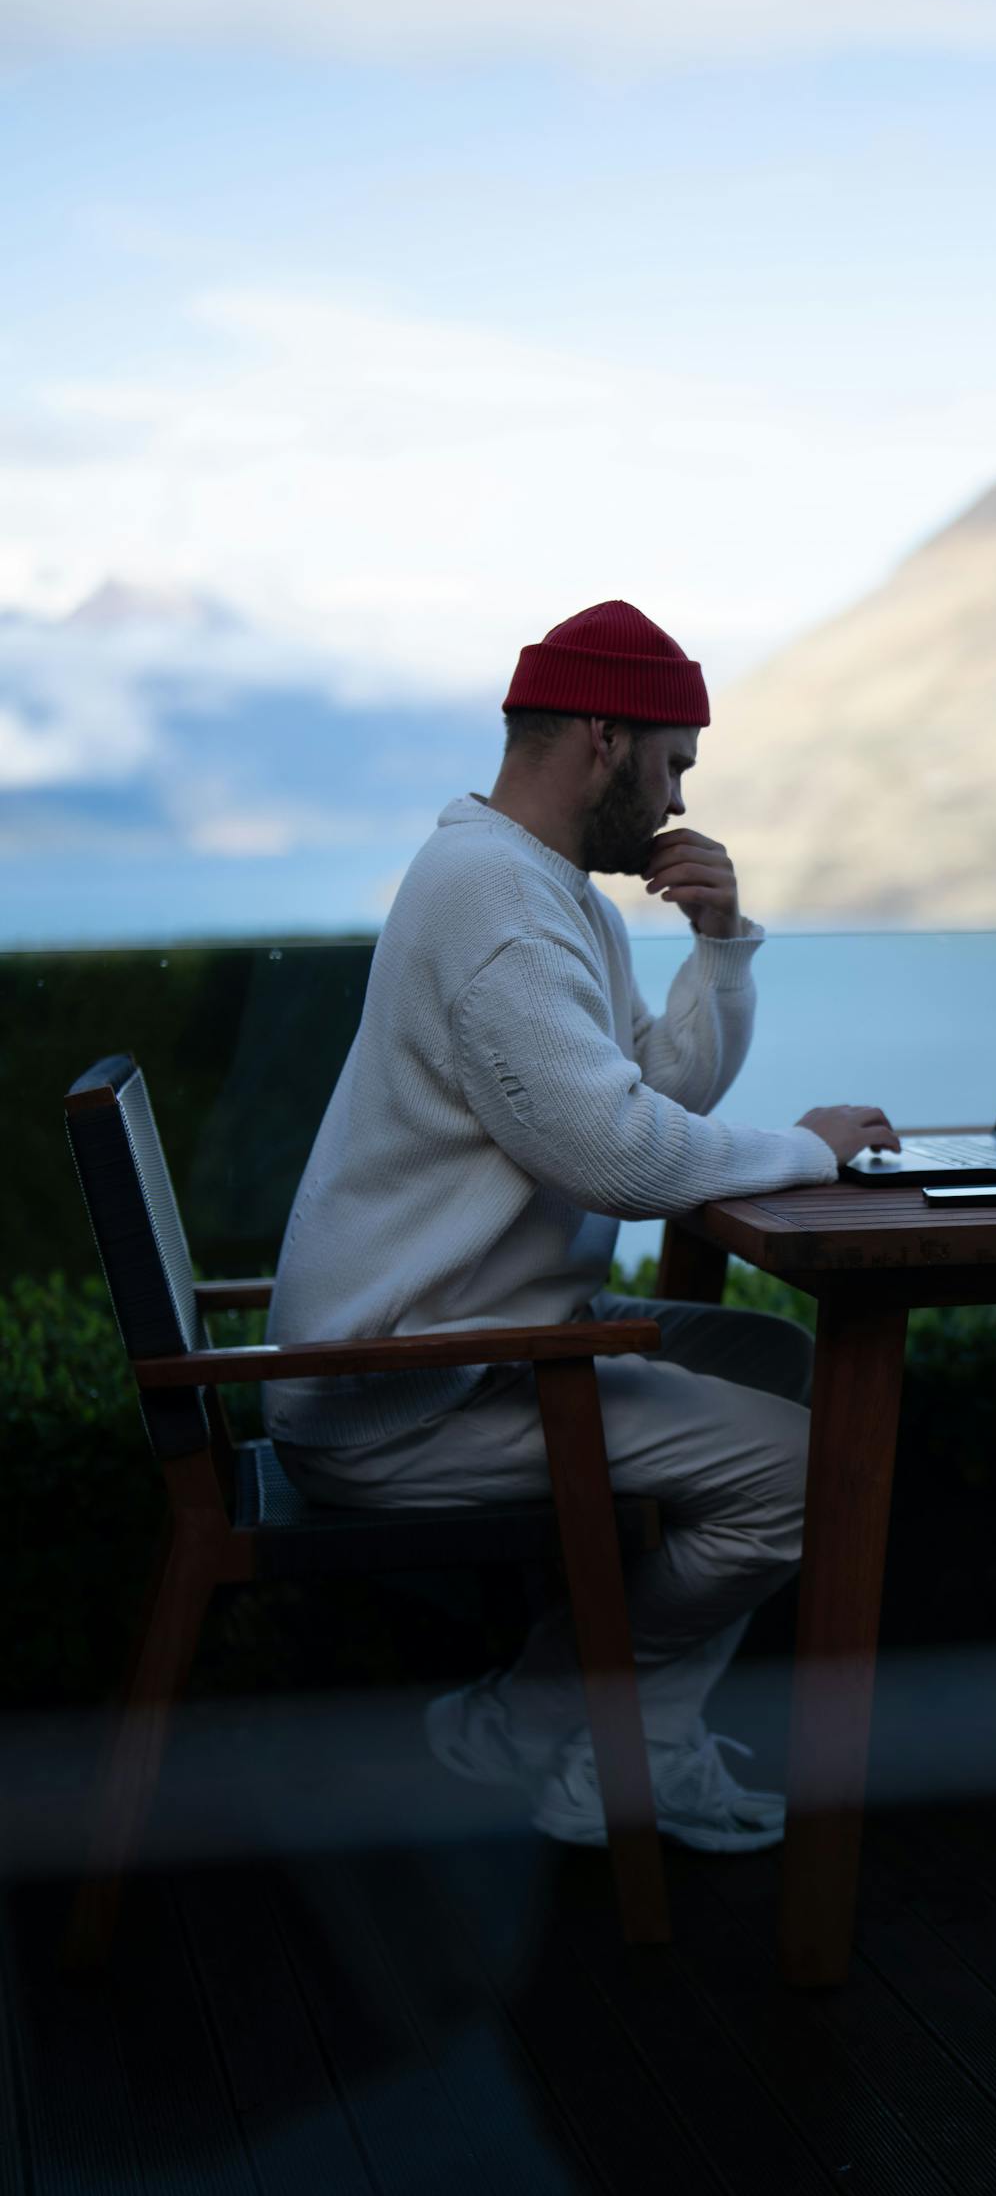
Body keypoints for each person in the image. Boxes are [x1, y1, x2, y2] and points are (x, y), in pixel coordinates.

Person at [264, 598, 900, 1850]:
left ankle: (564, 1733)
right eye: (669, 766)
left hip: (473, 1342)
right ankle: (596, 1745)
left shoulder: (544, 891)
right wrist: (813, 1152)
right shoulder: (495, 904)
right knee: (808, 1469)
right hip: (399, 1389)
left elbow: (649, 1094)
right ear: (602, 740)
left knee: (790, 1370)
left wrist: (719, 947)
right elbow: (616, 1155)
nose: (674, 805)